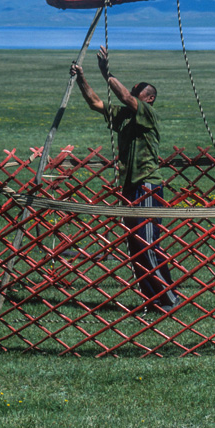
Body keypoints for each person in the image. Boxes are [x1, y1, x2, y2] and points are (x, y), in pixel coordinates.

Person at [71, 46, 180, 313]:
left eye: (137, 92)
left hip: (147, 185)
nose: (131, 93)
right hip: (130, 187)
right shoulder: (124, 116)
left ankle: (169, 298)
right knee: (135, 246)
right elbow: (95, 103)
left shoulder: (147, 114)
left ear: (149, 99)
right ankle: (153, 299)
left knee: (147, 243)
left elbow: (123, 96)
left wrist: (105, 72)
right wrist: (81, 78)